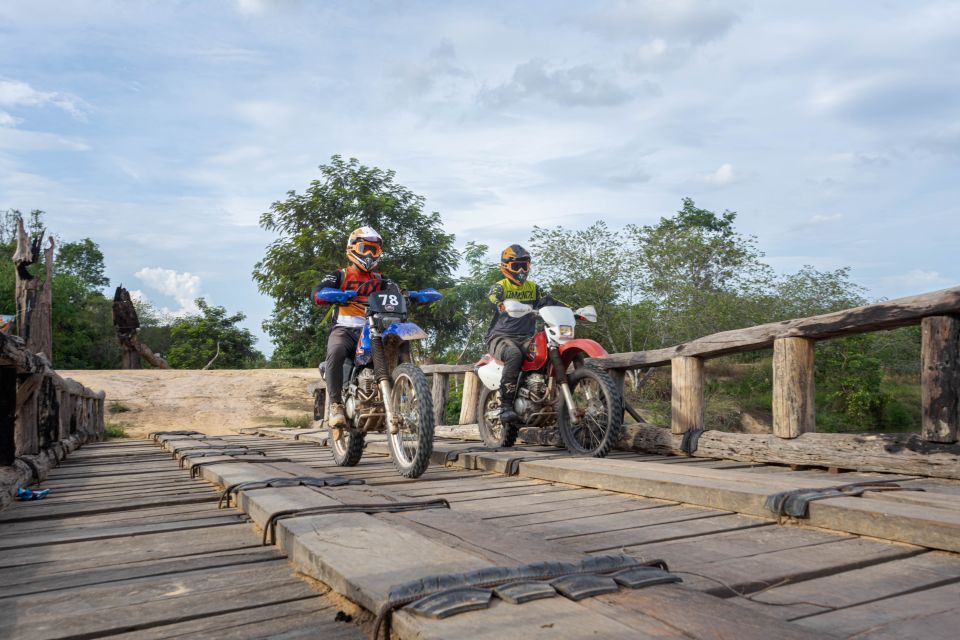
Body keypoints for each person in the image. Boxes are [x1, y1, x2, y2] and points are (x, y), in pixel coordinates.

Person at [312, 226, 390, 430]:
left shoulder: (380, 280)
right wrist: (331, 295)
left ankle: (400, 394)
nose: (370, 254)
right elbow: (317, 292)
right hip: (345, 329)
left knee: (395, 350)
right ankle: (336, 405)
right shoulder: (340, 275)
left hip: (373, 329)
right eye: (365, 248)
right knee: (336, 350)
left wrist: (416, 296)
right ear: (353, 248)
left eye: (374, 250)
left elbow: (398, 292)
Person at [485, 244, 555, 423]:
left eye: (525, 265)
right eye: (517, 266)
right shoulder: (500, 287)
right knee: (514, 355)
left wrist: (572, 311)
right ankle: (506, 406)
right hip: (500, 337)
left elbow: (549, 301)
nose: (522, 270)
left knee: (547, 353)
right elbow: (493, 299)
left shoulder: (534, 288)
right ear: (506, 267)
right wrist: (502, 305)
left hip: (526, 338)